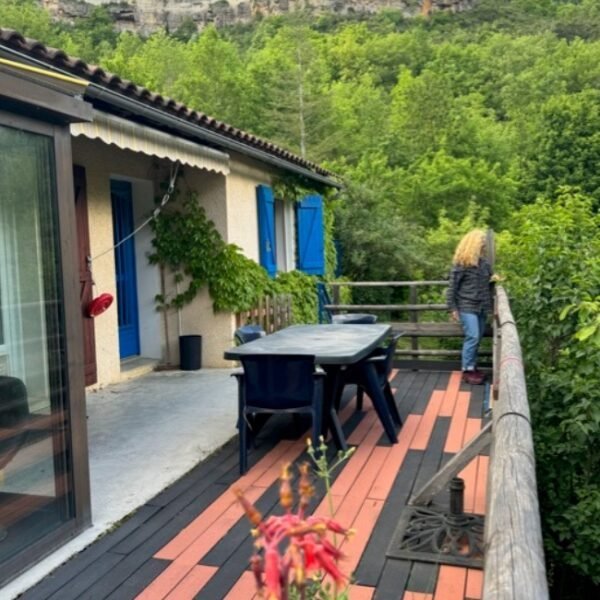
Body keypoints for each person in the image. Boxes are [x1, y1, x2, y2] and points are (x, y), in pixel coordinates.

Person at [446, 229, 494, 385]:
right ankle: (467, 370)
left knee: (478, 337)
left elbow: (489, 281)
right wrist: (452, 308)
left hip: (481, 306)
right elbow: (452, 287)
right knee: (472, 336)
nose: (484, 244)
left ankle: (473, 366)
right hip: (466, 306)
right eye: (481, 241)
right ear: (473, 243)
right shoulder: (461, 264)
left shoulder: (484, 264)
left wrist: (495, 280)